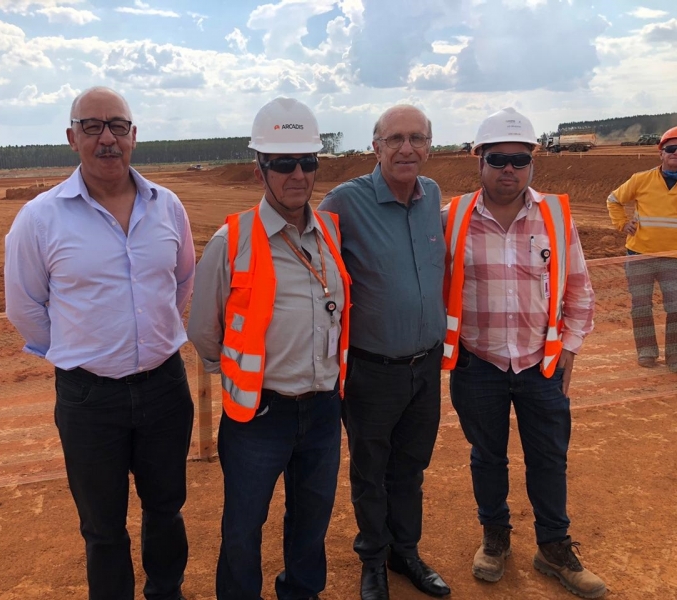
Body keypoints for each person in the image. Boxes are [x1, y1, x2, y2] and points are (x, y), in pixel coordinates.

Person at [4, 86, 195, 600]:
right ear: (72, 138)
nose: (106, 137)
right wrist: (81, 353)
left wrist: (149, 339)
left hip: (164, 389)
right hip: (89, 399)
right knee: (102, 527)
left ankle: (166, 591)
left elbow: (180, 283)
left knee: (166, 509)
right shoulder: (40, 218)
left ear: (134, 136)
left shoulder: (168, 207)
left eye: (117, 125)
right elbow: (25, 307)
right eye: (92, 126)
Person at [187, 97, 350, 600]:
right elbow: (203, 330)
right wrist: (242, 378)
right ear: (261, 169)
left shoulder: (329, 232)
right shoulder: (230, 240)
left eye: (307, 162)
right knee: (242, 529)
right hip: (260, 414)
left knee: (310, 526)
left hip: (324, 409)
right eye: (283, 164)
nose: (297, 174)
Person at [442, 107, 604, 599]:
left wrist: (569, 348)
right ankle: (495, 539)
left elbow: (579, 289)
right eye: (498, 159)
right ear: (479, 162)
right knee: (487, 457)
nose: (508, 169)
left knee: (549, 459)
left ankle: (553, 547)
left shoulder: (556, 217)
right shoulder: (453, 219)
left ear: (533, 162)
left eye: (519, 159)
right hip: (478, 364)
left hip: (541, 364)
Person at [318, 105, 450, 600]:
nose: (406, 148)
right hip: (372, 371)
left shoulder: (432, 194)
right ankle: (373, 559)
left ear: (429, 146)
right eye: (394, 139)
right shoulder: (345, 203)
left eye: (417, 138)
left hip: (426, 366)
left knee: (410, 468)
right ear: (375, 146)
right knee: (371, 471)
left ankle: (405, 552)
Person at [607, 126, 677, 373]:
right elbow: (613, 200)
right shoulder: (641, 179)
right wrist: (622, 223)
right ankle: (646, 352)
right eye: (670, 149)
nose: (676, 152)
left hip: (674, 259)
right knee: (641, 307)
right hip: (639, 256)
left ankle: (676, 356)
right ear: (661, 153)